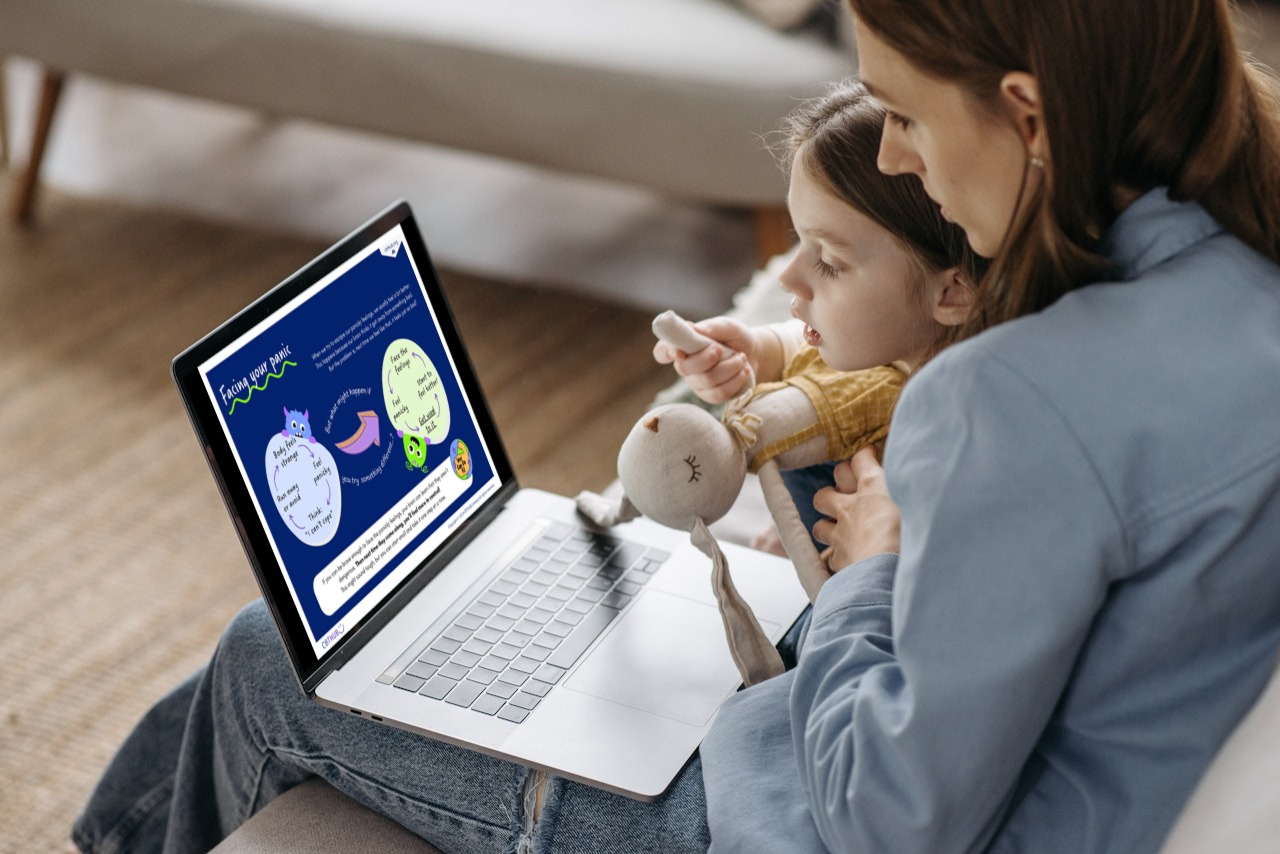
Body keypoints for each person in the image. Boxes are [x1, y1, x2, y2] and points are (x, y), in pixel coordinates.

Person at [72, 3, 1280, 853]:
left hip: (771, 812)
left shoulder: (1012, 398)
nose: (899, 154)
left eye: (903, 115)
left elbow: (883, 823)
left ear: (1025, 113)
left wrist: (868, 578)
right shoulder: (1243, 275)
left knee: (270, 656)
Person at [656, 78, 981, 552]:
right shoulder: (910, 343)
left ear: (951, 292)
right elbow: (828, 350)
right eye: (797, 239)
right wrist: (758, 351)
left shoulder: (962, 446)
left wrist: (850, 568)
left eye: (829, 259)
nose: (786, 275)